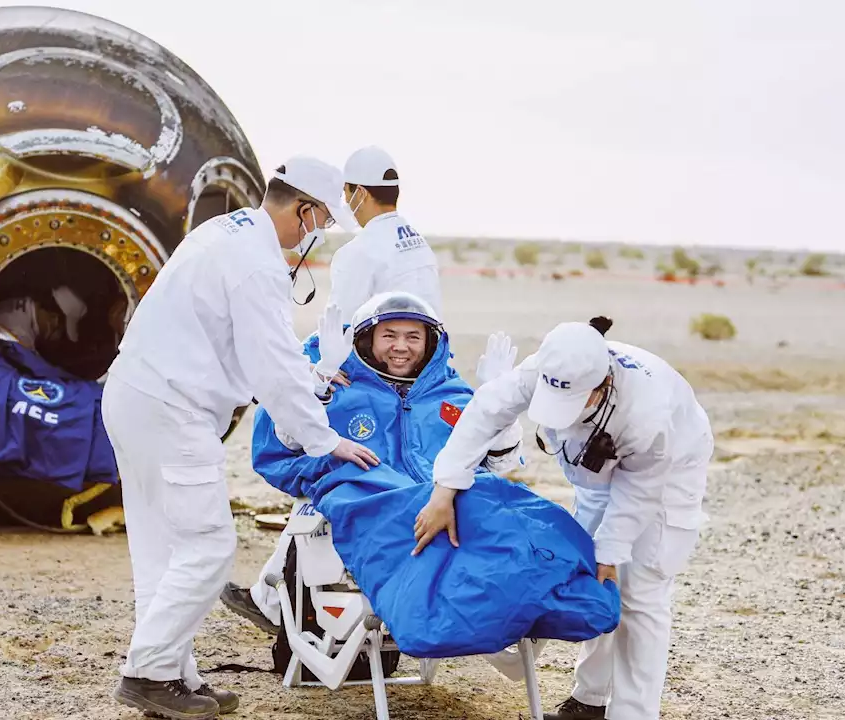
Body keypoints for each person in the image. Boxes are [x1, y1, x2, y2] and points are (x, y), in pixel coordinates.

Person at [101, 156, 380, 720]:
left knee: (165, 548)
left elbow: (255, 353)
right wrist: (323, 440)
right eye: (321, 219)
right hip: (174, 410)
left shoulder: (222, 232)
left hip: (136, 396)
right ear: (302, 209)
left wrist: (312, 379)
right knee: (208, 543)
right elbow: (271, 365)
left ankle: (173, 677)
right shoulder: (257, 265)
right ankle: (147, 673)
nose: (318, 233)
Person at [422, 317, 714, 720]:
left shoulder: (648, 413)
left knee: (640, 592)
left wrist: (612, 549)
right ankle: (589, 701)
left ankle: (633, 713)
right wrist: (445, 487)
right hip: (597, 474)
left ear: (601, 387)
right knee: (594, 576)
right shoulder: (549, 363)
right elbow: (486, 411)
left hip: (667, 477)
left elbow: (640, 491)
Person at [219, 291, 525, 634]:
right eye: (389, 336)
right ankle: (274, 601)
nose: (401, 347)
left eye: (413, 337)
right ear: (367, 339)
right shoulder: (341, 387)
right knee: (321, 502)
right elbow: (290, 440)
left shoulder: (451, 395)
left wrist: (500, 405)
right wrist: (318, 381)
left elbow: (499, 463)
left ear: (430, 342)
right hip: (374, 513)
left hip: (443, 514)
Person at [325, 146, 443, 325]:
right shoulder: (419, 244)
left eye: (346, 192)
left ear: (361, 193)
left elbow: (339, 327)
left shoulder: (357, 251)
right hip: (428, 348)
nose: (346, 201)